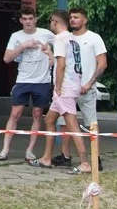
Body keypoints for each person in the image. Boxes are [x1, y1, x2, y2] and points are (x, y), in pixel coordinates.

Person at [30, 10, 90, 173]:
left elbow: (61, 65)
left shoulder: (59, 39)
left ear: (55, 22)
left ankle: (85, 162)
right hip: (72, 85)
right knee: (49, 119)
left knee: (72, 125)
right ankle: (47, 157)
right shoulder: (72, 39)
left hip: (64, 87)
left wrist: (57, 87)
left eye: (51, 21)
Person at [0, 7, 55, 162]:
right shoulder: (16, 36)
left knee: (37, 114)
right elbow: (6, 58)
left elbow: (63, 42)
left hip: (42, 81)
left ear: (35, 19)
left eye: (31, 18)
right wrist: (23, 46)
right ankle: (4, 150)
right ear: (21, 20)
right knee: (15, 114)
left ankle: (30, 150)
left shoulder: (45, 34)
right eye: (25, 19)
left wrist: (50, 52)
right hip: (23, 79)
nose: (28, 21)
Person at [67, 7, 107, 171]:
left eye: (76, 17)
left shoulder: (94, 38)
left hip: (86, 89)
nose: (72, 20)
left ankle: (95, 158)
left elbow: (102, 63)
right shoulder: (66, 38)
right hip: (68, 89)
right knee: (65, 124)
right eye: (70, 17)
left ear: (85, 20)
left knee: (91, 124)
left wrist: (89, 83)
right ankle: (66, 156)